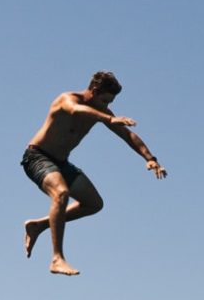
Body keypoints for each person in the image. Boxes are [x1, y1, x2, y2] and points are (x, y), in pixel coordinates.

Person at [22, 71, 166, 276]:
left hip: (61, 163)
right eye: (105, 100)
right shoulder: (67, 99)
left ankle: (39, 225)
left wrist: (151, 159)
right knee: (61, 193)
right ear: (94, 91)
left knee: (94, 203)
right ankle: (56, 259)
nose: (107, 106)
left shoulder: (101, 110)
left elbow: (128, 135)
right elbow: (75, 111)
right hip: (37, 157)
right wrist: (107, 118)